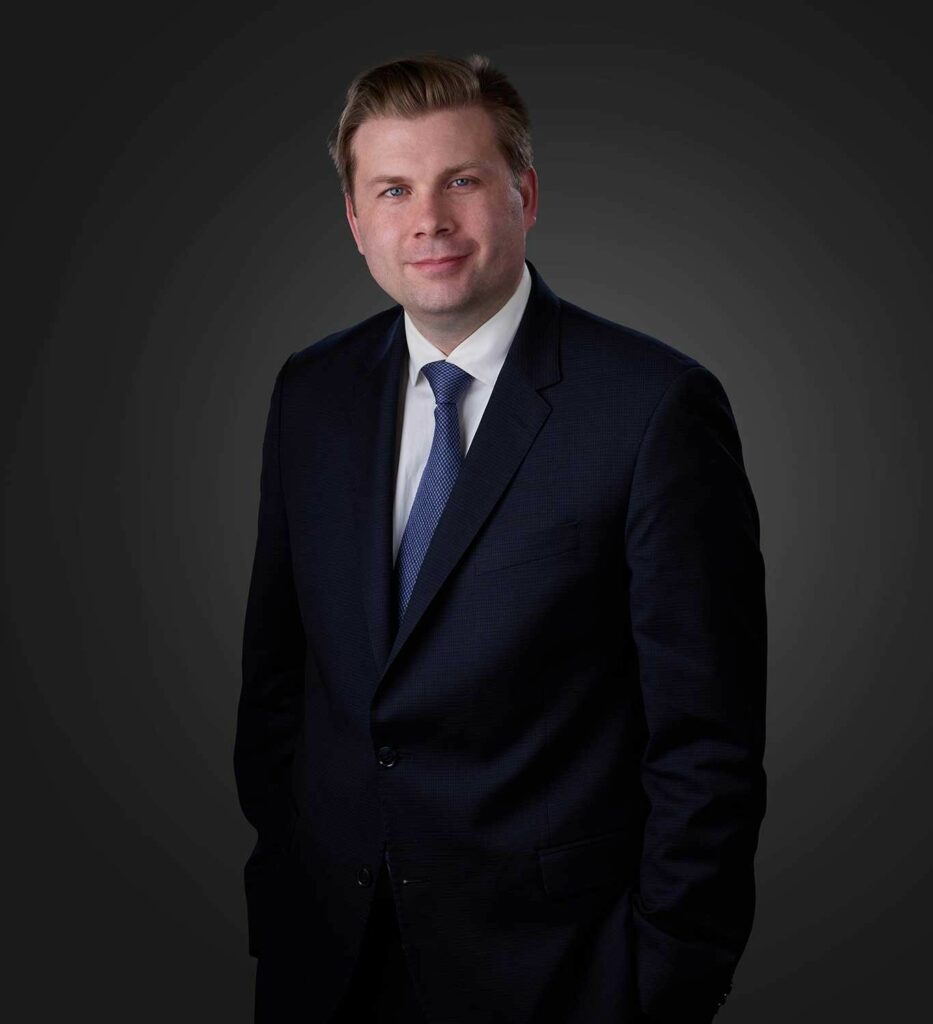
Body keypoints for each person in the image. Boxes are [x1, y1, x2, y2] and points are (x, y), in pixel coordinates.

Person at [234, 52, 767, 1024]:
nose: (427, 218)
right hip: (328, 957)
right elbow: (279, 679)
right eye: (392, 189)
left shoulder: (652, 409)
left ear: (523, 192)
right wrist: (280, 893)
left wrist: (667, 973)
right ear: (356, 221)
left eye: (461, 180)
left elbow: (708, 741)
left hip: (558, 971)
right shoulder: (310, 394)